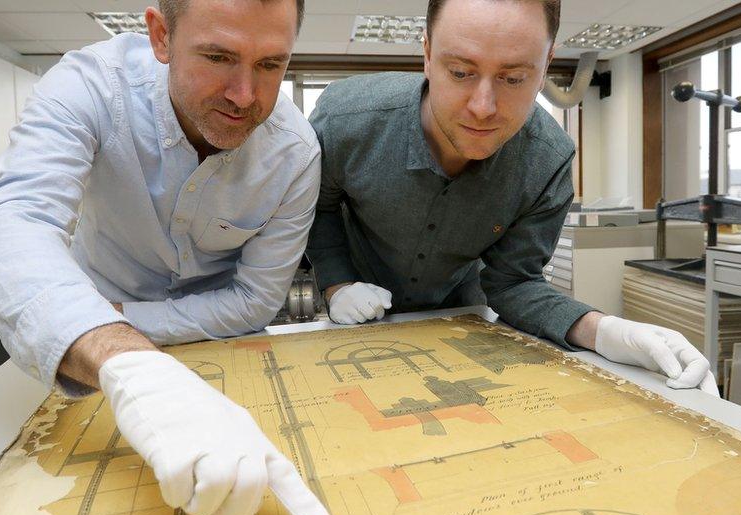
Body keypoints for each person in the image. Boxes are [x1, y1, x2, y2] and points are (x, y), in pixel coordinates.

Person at [0, 0, 331, 515]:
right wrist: (126, 360)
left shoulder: (295, 153)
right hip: (91, 353)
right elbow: (8, 222)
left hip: (214, 346)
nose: (244, 96)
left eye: (271, 65)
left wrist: (127, 320)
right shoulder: (91, 86)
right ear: (161, 37)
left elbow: (255, 300)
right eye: (218, 56)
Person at [306, 0, 718, 396]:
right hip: (355, 310)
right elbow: (319, 206)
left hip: (462, 312)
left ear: (545, 66)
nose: (483, 108)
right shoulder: (347, 122)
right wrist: (337, 284)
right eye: (460, 72)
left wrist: (604, 330)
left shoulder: (547, 162)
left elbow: (514, 283)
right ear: (427, 54)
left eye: (514, 78)